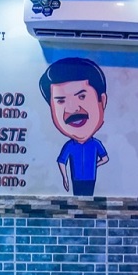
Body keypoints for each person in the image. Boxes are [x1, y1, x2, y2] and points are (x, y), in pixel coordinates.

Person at [39, 57, 109, 196]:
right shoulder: (69, 146)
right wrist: (65, 178)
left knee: (89, 199)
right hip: (76, 180)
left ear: (102, 101)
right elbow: (61, 161)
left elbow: (105, 158)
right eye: (61, 101)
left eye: (81, 97)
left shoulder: (96, 144)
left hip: (90, 179)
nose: (72, 109)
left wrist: (94, 165)